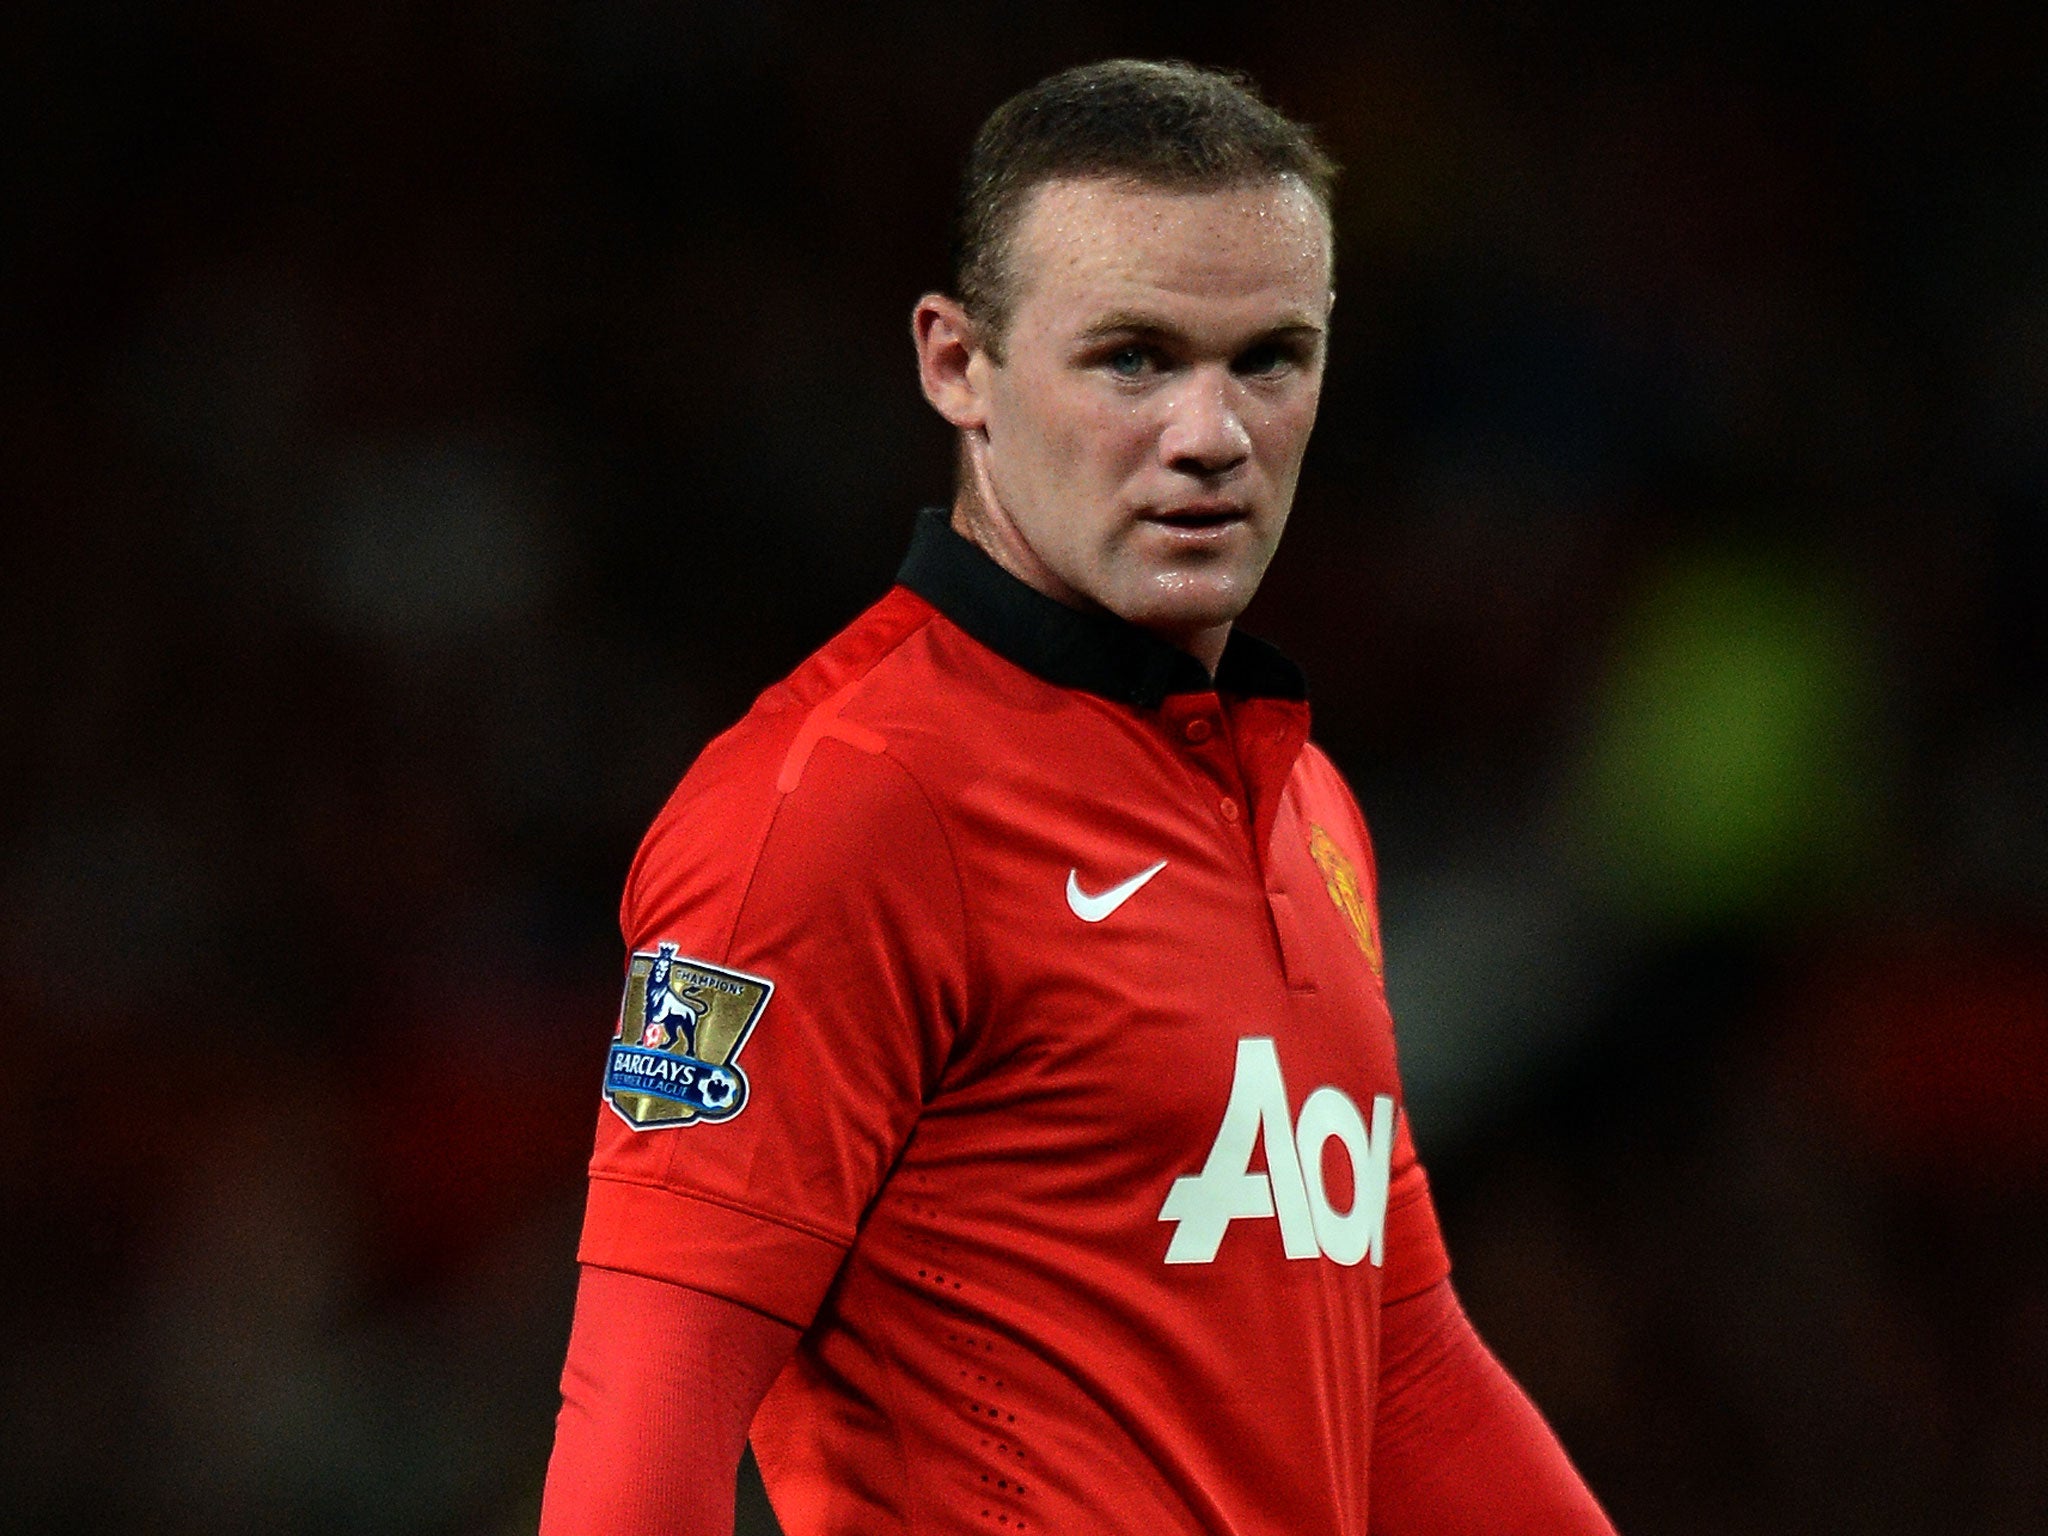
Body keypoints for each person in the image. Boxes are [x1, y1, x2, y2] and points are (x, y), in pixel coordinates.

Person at [540, 58, 1616, 1536]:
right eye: (1131, 357)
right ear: (955, 366)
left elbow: (1401, 1369)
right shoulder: (840, 807)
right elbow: (640, 1427)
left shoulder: (1308, 807)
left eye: (1269, 359)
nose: (1210, 434)